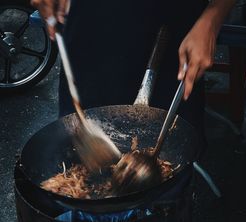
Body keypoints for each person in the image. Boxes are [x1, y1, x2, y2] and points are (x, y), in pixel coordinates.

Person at [31, 0, 235, 157]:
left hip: (172, 37)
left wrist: (212, 20)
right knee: (74, 157)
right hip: (89, 40)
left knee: (168, 161)